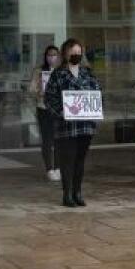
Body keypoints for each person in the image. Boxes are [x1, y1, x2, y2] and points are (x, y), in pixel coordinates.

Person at [44, 38, 100, 208]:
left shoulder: (88, 73)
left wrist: (95, 112)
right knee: (67, 160)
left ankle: (78, 192)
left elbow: (97, 94)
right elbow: (49, 98)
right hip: (66, 126)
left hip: (85, 125)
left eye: (78, 52)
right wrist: (62, 113)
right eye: (72, 51)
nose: (76, 54)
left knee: (80, 160)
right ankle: (67, 194)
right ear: (65, 53)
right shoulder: (58, 74)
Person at [29, 46, 61, 182]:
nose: (52, 57)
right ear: (45, 56)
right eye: (49, 55)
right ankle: (49, 168)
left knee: (59, 139)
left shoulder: (62, 70)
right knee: (47, 139)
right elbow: (31, 89)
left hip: (59, 109)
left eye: (54, 55)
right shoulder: (39, 71)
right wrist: (39, 92)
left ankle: (59, 167)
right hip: (43, 107)